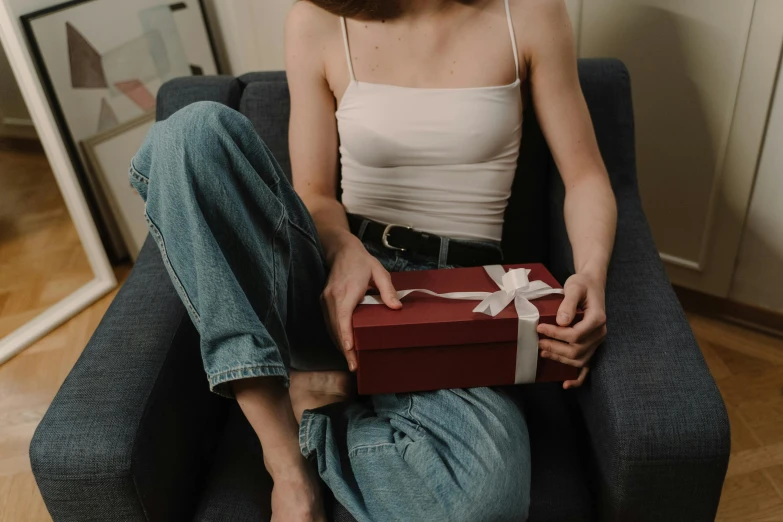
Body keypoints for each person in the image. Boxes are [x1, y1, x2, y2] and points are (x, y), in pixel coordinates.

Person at [129, 0, 616, 520]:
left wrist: (590, 273)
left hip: (457, 300)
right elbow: (313, 193)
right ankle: (286, 462)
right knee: (190, 133)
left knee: (482, 505)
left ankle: (318, 408)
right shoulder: (317, 20)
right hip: (334, 273)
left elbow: (585, 176)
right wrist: (343, 249)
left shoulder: (532, 14)